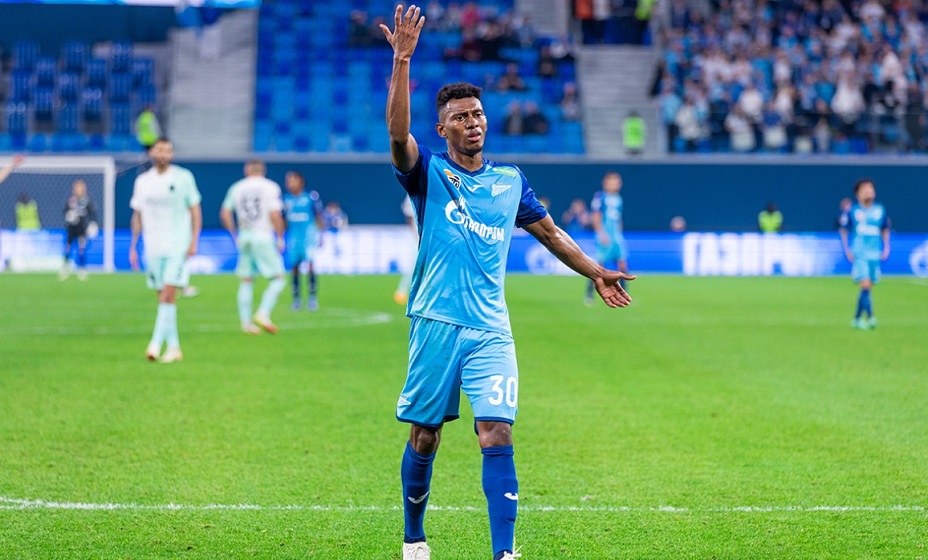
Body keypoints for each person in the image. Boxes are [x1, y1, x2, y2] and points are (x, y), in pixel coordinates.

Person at [379, 7, 635, 560]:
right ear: (443, 129)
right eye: (460, 117)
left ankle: (505, 552)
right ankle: (414, 537)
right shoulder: (428, 173)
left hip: (491, 329)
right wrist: (402, 61)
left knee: (497, 430)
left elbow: (551, 233)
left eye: (477, 114)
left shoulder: (509, 181)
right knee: (425, 436)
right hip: (435, 322)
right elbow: (398, 134)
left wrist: (596, 272)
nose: (472, 122)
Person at [129, 137, 202, 363]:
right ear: (152, 153)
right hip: (153, 246)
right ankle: (174, 347)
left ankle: (154, 345)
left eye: (168, 150)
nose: (164, 154)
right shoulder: (143, 182)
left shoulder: (183, 177)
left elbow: (195, 210)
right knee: (163, 297)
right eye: (160, 150)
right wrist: (133, 246)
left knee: (169, 292)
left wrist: (194, 240)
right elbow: (137, 215)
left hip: (177, 245)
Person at [220, 160, 287, 334]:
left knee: (246, 280)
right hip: (263, 235)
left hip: (244, 235)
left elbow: (225, 213)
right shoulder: (271, 187)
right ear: (263, 170)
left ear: (247, 170)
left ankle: (246, 324)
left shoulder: (237, 187)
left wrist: (234, 235)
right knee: (278, 278)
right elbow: (275, 214)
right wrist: (280, 237)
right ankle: (263, 313)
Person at [838, 179, 890, 330]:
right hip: (860, 253)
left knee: (867, 288)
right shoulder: (853, 211)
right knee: (865, 284)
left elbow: (885, 229)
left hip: (875, 253)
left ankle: (857, 319)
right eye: (865, 189)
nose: (869, 192)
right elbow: (843, 229)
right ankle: (871, 317)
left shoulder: (880, 210)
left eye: (871, 189)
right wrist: (847, 249)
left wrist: (886, 247)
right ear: (858, 194)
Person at [585, 171, 630, 305]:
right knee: (599, 267)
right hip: (605, 236)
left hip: (617, 237)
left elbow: (618, 218)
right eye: (612, 182)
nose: (615, 185)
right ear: (605, 183)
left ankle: (625, 295)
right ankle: (589, 295)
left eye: (617, 182)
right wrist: (601, 234)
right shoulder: (600, 197)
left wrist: (619, 232)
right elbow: (596, 216)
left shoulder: (618, 198)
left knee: (622, 265)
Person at [282, 170, 324, 311]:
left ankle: (312, 298)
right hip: (293, 237)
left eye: (292, 181)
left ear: (300, 181)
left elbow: (318, 217)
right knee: (294, 267)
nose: (289, 184)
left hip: (309, 237)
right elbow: (282, 220)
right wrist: (280, 237)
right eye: (288, 181)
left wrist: (321, 235)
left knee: (311, 266)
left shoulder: (310, 197)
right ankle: (296, 299)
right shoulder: (285, 200)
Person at [61, 179, 98, 281]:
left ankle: (81, 268)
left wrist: (92, 224)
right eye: (77, 187)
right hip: (71, 228)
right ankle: (65, 268)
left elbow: (92, 214)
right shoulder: (71, 200)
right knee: (68, 247)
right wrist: (69, 216)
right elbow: (65, 211)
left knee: (81, 248)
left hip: (82, 229)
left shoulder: (87, 200)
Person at [395, 194, 419, 305]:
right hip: (417, 236)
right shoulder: (413, 193)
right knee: (415, 264)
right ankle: (402, 290)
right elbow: (408, 216)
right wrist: (414, 233)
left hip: (431, 237)